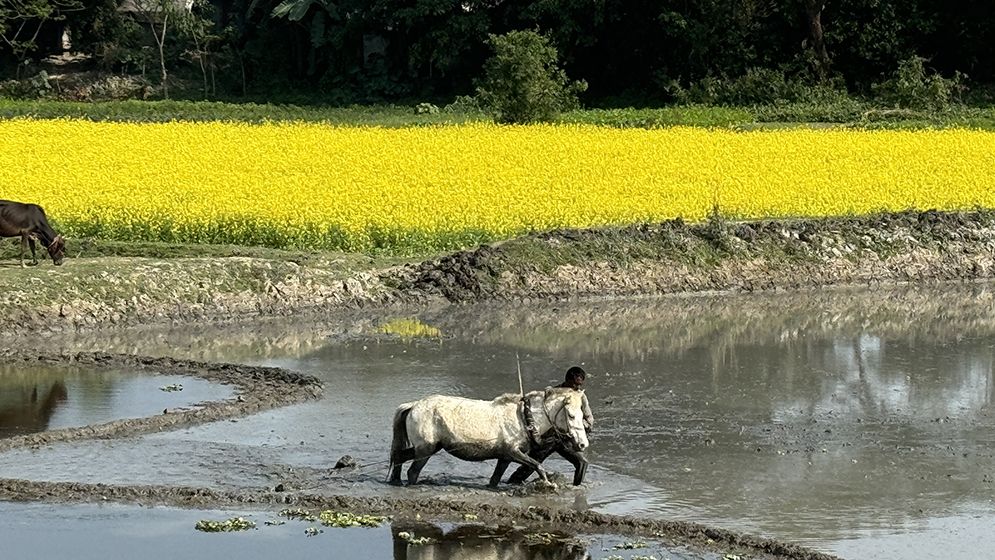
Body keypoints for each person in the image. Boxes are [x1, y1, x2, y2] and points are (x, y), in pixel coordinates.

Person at [508, 365, 593, 486]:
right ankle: (510, 485)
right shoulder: (553, 393)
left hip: (567, 439)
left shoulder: (580, 397)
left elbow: (589, 420)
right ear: (567, 381)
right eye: (574, 385)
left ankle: (577, 490)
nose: (577, 388)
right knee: (530, 466)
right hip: (548, 439)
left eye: (580, 385)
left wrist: (577, 425)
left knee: (582, 463)